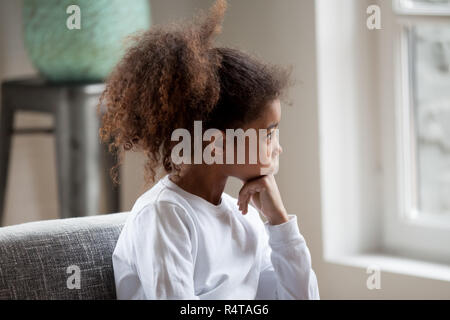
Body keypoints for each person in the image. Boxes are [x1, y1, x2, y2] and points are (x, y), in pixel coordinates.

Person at [98, 0, 320, 300]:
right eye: (268, 135)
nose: (279, 148)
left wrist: (279, 222)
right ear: (216, 145)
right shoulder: (165, 216)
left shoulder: (247, 218)